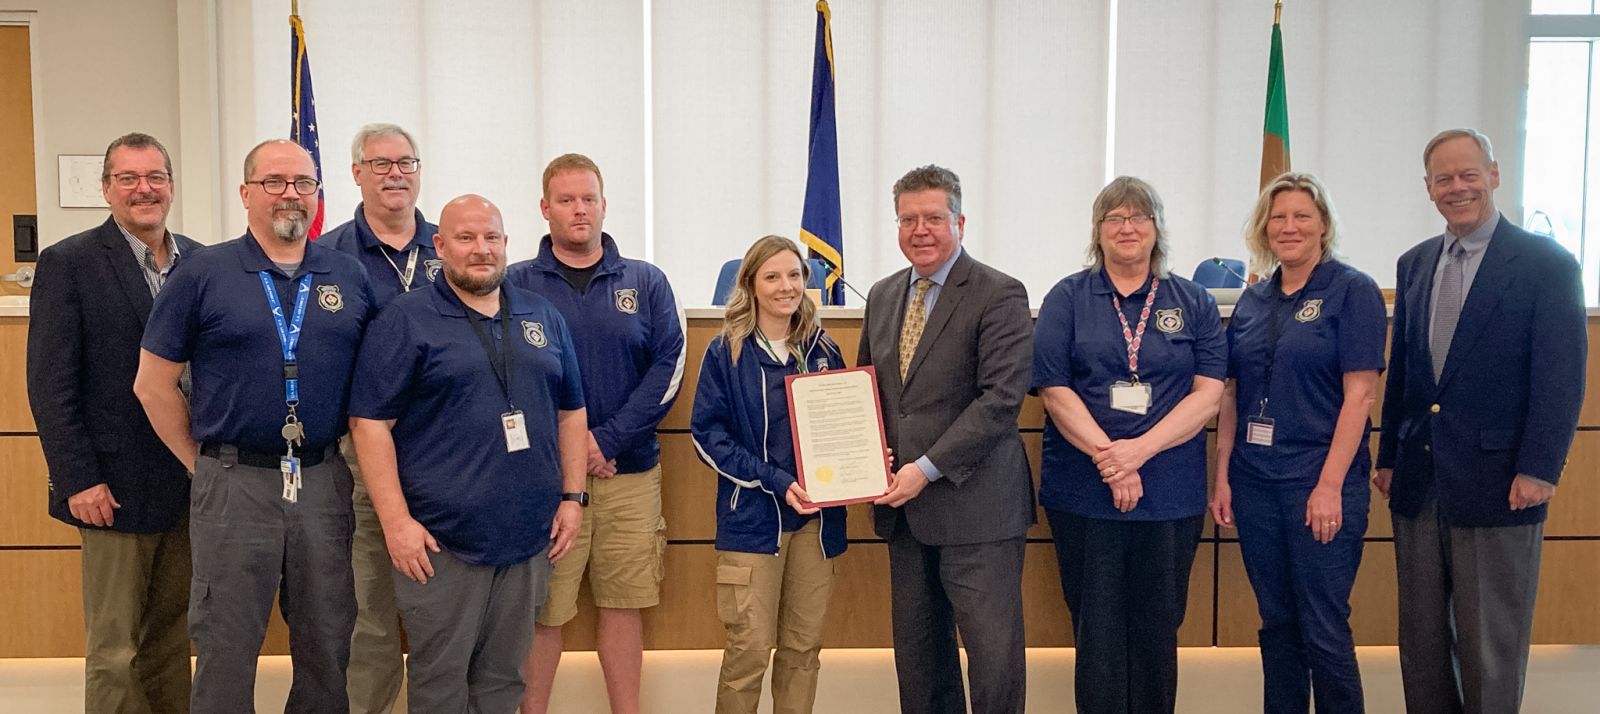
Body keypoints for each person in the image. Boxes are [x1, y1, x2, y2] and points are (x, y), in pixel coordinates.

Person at [134, 139, 377, 713]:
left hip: (322, 477)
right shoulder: (204, 273)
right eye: (274, 182)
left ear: (318, 194)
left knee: (327, 639)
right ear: (245, 194)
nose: (290, 193)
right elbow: (152, 384)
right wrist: (203, 464)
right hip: (234, 479)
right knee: (227, 643)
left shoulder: (348, 274)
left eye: (303, 182)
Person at [348, 194, 587, 712]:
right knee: (440, 682)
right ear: (440, 246)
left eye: (492, 238)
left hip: (529, 537)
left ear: (505, 243)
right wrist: (396, 523)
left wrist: (573, 496)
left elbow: (571, 411)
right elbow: (369, 424)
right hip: (441, 543)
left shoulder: (540, 315)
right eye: (466, 238)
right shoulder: (406, 320)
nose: (481, 249)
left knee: (504, 681)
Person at [1375, 129, 1586, 713]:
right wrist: (1388, 456)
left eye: (1469, 174)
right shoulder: (1415, 264)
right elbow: (1407, 376)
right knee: (1421, 644)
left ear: (1494, 175)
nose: (1457, 187)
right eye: (1444, 179)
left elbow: (1561, 378)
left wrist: (1540, 468)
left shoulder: (1546, 264)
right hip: (1420, 483)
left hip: (1502, 484)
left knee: (1490, 644)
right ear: (1428, 188)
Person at [1032, 176, 1225, 713]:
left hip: (1169, 495)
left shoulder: (1194, 299)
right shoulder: (1067, 297)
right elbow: (1054, 390)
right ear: (1098, 231)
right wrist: (1111, 460)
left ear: (1157, 227)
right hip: (1085, 493)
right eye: (1113, 218)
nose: (1127, 227)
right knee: (1095, 631)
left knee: (1158, 630)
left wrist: (1136, 453)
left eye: (1138, 217)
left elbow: (1208, 395)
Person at [26, 132, 201, 713]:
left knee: (171, 641)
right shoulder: (68, 262)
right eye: (127, 178)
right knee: (115, 650)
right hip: (110, 489)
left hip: (187, 482)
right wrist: (77, 478)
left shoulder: (203, 263)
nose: (143, 189)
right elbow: (50, 386)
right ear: (106, 189)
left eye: (154, 177)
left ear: (171, 186)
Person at [510, 153, 685, 714]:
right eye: (566, 200)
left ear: (604, 205)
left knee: (623, 604)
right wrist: (569, 453)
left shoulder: (646, 281)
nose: (579, 209)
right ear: (545, 209)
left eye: (589, 198)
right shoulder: (515, 284)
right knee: (545, 612)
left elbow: (669, 368)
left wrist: (604, 441)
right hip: (548, 485)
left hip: (630, 473)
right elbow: (505, 377)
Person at [858, 164, 1034, 714]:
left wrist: (924, 469)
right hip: (904, 514)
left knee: (992, 658)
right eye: (907, 219)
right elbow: (872, 392)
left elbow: (1000, 401)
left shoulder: (999, 293)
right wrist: (868, 456)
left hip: (977, 509)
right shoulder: (884, 295)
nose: (920, 230)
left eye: (933, 217)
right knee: (919, 660)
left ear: (960, 221)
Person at [1212, 172, 1386, 712]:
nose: (1289, 227)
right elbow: (1231, 394)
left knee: (1323, 627)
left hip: (1319, 484)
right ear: (1265, 227)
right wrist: (1223, 477)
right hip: (1255, 482)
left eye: (1301, 216)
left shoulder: (1353, 291)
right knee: (1277, 624)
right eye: (1278, 217)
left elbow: (1360, 397)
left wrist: (1330, 486)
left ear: (1324, 225)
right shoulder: (1253, 299)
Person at [690, 235, 849, 714]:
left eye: (796, 275)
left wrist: (862, 463)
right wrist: (775, 480)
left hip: (816, 526)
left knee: (802, 653)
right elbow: (707, 437)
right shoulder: (727, 352)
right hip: (753, 523)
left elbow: (842, 427)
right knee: (748, 653)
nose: (787, 286)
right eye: (773, 276)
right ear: (751, 285)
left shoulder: (824, 350)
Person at [319, 122, 439, 714]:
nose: (396, 174)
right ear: (356, 173)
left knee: (447, 618)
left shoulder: (456, 247)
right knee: (371, 615)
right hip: (362, 455)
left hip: (449, 456)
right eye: (381, 163)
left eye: (407, 163)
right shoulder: (326, 257)